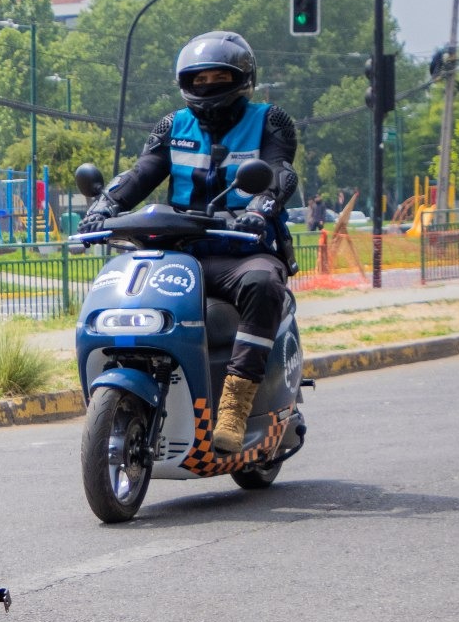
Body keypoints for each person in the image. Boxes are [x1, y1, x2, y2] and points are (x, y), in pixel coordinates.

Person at [82, 29, 299, 453]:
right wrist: (104, 206)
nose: (207, 85)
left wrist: (260, 208)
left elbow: (279, 171)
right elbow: (142, 172)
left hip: (243, 251)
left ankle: (235, 408)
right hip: (182, 253)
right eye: (198, 78)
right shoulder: (172, 126)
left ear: (242, 78)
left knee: (263, 284)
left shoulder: (270, 120)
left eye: (218, 77)